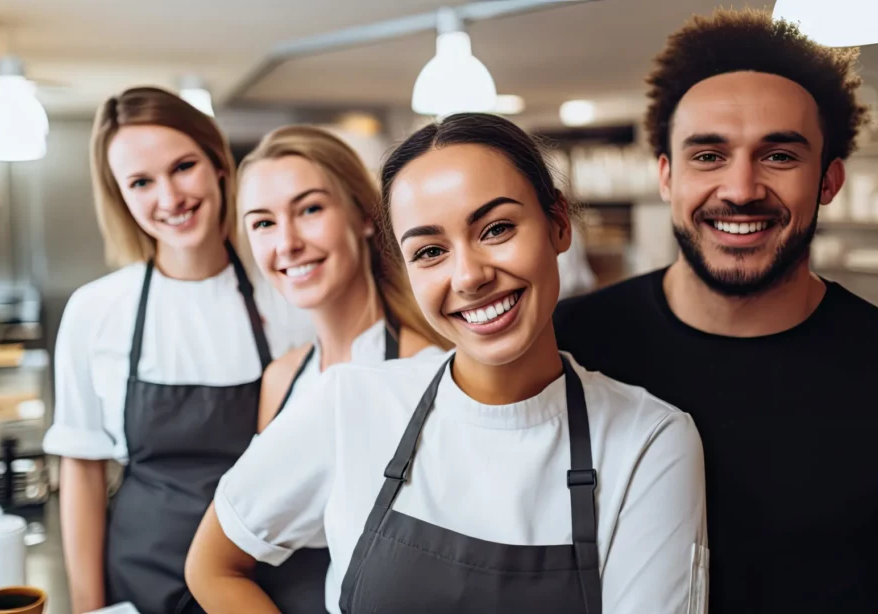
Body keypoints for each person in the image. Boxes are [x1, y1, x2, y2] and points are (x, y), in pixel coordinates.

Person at [186, 112, 708, 613]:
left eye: (496, 229)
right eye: (430, 251)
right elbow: (213, 564)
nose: (468, 276)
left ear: (558, 223)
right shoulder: (350, 400)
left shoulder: (651, 441)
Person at [553, 9, 878, 614]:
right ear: (666, 176)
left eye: (780, 156)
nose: (741, 189)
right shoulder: (567, 346)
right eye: (708, 156)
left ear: (829, 180)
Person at [41, 86, 315, 614]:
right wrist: (88, 607)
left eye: (183, 166)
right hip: (142, 580)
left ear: (217, 164)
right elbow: (82, 467)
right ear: (119, 195)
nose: (169, 198)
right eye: (141, 182)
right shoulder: (95, 310)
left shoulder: (289, 297)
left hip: (271, 576)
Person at [183, 125, 449, 612]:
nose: (287, 242)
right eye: (262, 223)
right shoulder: (281, 379)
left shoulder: (429, 374)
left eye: (309, 210)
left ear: (366, 217)